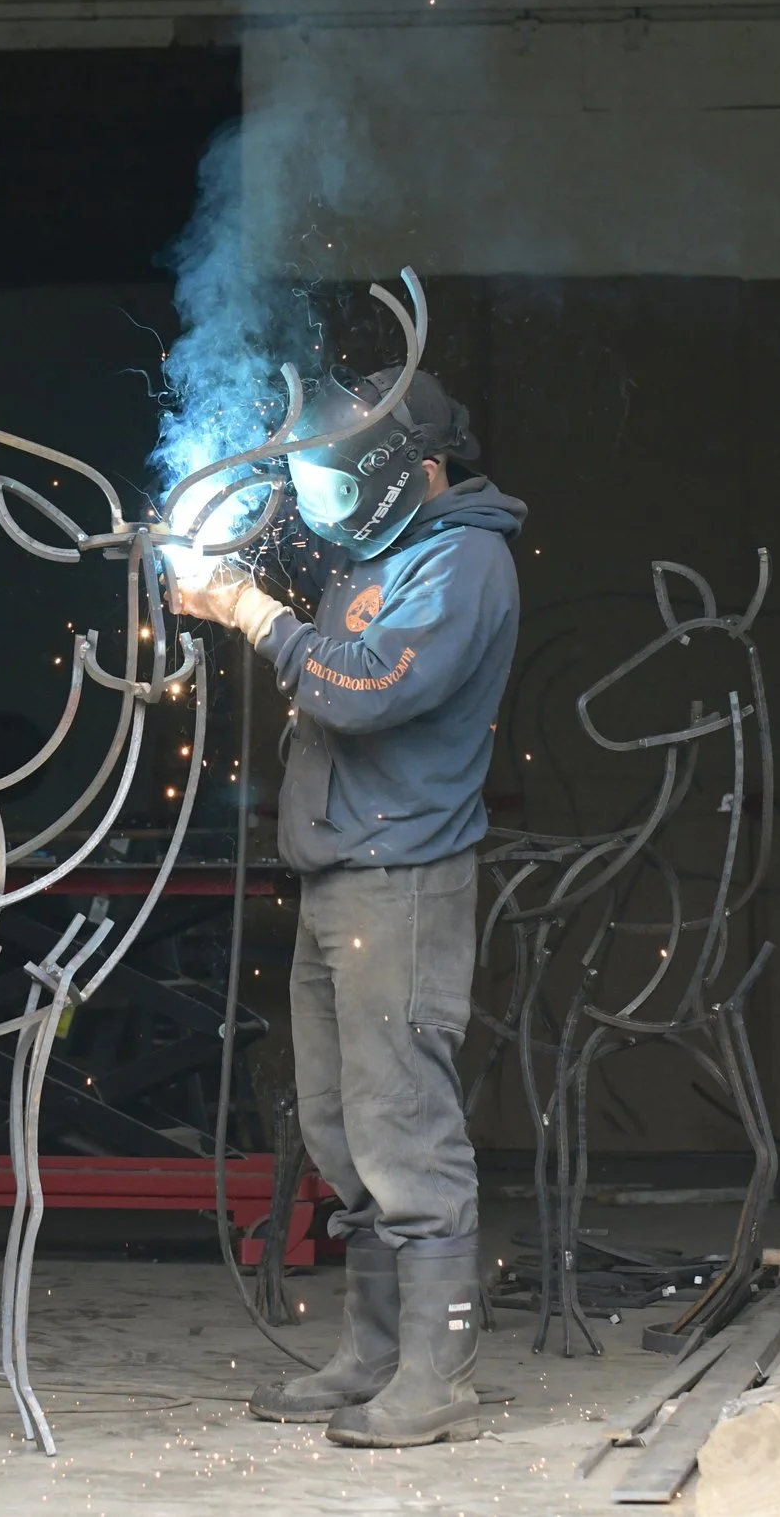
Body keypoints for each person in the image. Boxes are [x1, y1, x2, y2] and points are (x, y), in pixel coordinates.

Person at [176, 365, 524, 1449]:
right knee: (335, 1119)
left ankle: (436, 1374)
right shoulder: (380, 554)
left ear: (407, 464)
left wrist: (252, 611)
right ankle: (372, 1354)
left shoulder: (464, 559)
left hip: (404, 880)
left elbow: (361, 686)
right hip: (339, 875)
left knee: (401, 1123)